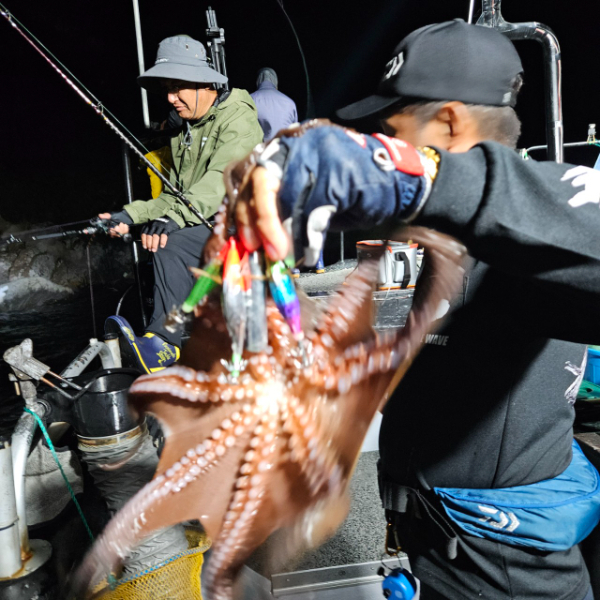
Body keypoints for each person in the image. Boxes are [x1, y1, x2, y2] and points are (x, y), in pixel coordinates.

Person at [233, 20, 600, 600]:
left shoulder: (533, 234)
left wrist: (424, 179)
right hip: (430, 552)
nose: (382, 147)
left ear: (450, 123)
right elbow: (423, 359)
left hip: (506, 576)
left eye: (391, 134)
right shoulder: (430, 243)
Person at [101, 35, 263, 373]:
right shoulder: (184, 132)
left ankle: (166, 340)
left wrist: (173, 219)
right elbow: (175, 195)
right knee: (161, 237)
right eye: (167, 90)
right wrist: (129, 215)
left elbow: (221, 179)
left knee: (170, 238)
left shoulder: (239, 118)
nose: (170, 98)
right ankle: (162, 342)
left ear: (203, 82)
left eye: (177, 88)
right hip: (211, 224)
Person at [250, 67, 298, 142]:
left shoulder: (249, 99)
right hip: (283, 147)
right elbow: (295, 133)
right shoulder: (289, 102)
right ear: (276, 82)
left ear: (257, 82)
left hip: (258, 148)